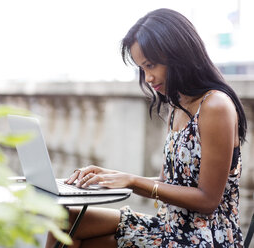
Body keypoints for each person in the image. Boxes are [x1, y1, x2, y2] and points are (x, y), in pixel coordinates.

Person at [45, 8, 246, 248]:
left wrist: (131, 181)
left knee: (85, 240)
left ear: (178, 54)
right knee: (65, 221)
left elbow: (208, 200)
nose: (148, 78)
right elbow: (167, 182)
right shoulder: (179, 105)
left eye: (151, 65)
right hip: (169, 227)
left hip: (205, 238)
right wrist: (109, 177)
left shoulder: (215, 105)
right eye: (142, 68)